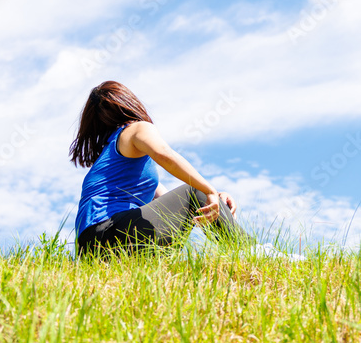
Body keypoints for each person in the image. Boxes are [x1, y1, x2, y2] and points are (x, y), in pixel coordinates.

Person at [70, 80, 254, 258]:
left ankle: (245, 251)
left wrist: (216, 200)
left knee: (196, 194)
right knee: (194, 190)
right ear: (130, 103)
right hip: (110, 233)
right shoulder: (135, 128)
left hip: (91, 250)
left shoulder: (115, 160)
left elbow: (176, 207)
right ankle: (252, 253)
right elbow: (165, 155)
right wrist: (208, 190)